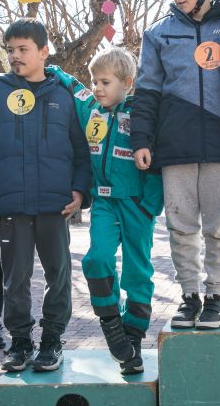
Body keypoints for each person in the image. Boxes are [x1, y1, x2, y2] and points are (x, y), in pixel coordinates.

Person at [0, 19, 92, 373]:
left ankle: (52, 340)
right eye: (10, 50)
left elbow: (82, 150)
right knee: (14, 280)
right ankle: (20, 342)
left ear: (44, 52)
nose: (15, 56)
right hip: (11, 208)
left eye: (23, 49)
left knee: (58, 276)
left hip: (55, 206)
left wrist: (80, 191)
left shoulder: (66, 96)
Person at [131, 0, 220, 330]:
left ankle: (217, 297)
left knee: (219, 227)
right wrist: (141, 140)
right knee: (180, 227)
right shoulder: (157, 34)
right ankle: (189, 297)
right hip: (174, 144)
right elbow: (147, 90)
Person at [51, 48, 163, 374]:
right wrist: (51, 68)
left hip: (136, 204)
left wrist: (149, 204)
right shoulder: (92, 110)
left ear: (127, 83)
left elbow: (159, 157)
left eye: (105, 82)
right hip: (103, 203)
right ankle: (111, 322)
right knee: (96, 259)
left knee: (137, 271)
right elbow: (75, 87)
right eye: (95, 81)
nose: (98, 88)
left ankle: (133, 337)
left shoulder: (141, 113)